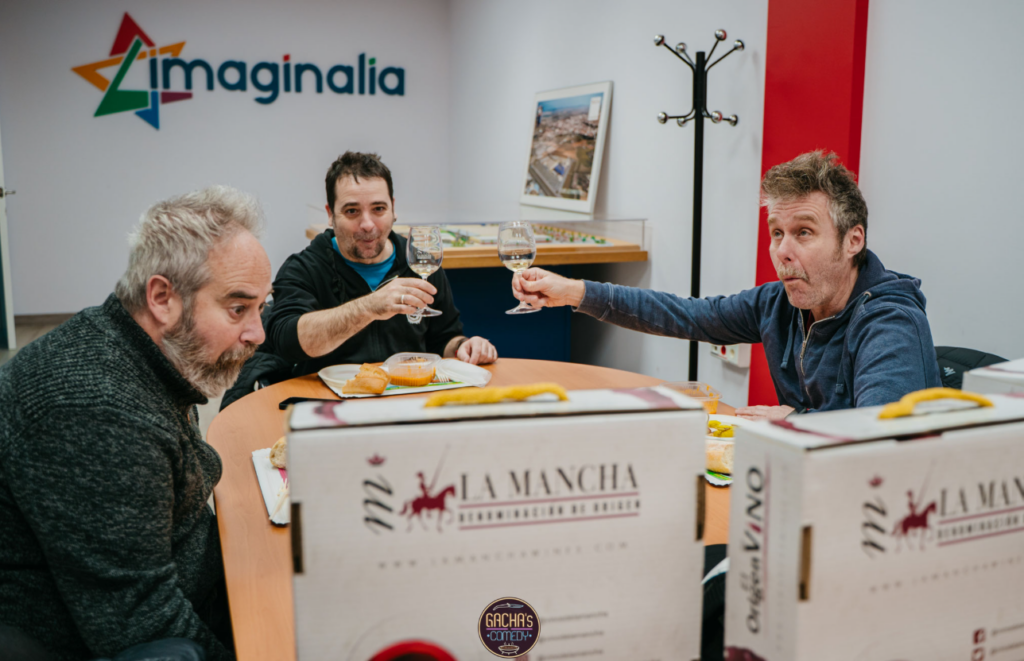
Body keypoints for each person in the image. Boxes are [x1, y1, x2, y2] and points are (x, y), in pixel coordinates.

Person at [0, 186, 273, 660]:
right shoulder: (95, 413)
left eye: (261, 307)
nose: (257, 333)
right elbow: (140, 621)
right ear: (163, 297)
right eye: (237, 308)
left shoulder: (142, 349)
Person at [512, 151, 941, 418]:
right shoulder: (779, 304)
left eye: (804, 232)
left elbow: (877, 436)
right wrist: (572, 292)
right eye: (776, 232)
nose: (782, 252)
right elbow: (687, 314)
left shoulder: (889, 321)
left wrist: (793, 421)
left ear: (854, 240)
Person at [265, 151, 496, 375]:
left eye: (378, 209)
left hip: (407, 398)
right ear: (330, 214)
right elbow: (288, 342)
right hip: (328, 404)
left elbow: (444, 338)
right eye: (352, 211)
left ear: (393, 209)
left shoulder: (419, 263)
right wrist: (370, 306)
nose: (367, 224)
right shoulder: (303, 269)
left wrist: (462, 347)